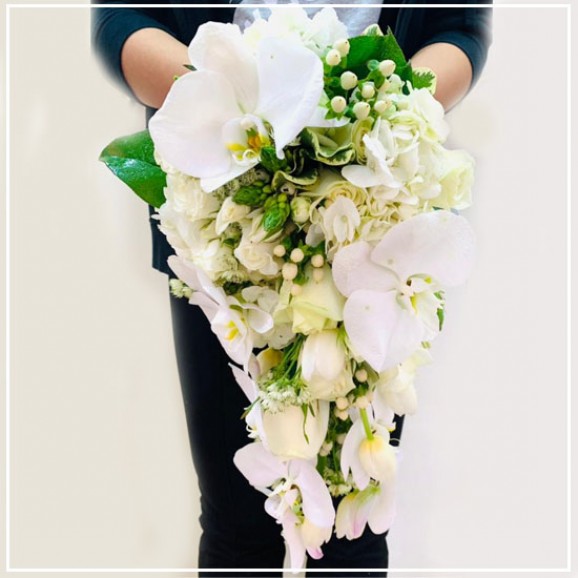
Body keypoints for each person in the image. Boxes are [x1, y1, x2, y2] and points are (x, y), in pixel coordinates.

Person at [92, 2, 492, 576]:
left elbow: (459, 25)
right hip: (221, 218)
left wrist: (374, 115)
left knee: (350, 525)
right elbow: (121, 18)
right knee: (236, 523)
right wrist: (222, 107)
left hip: (374, 215)